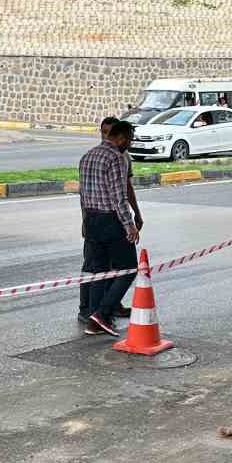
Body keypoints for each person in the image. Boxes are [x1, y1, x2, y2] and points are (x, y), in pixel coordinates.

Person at [78, 119, 139, 335]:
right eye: (129, 140)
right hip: (110, 221)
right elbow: (118, 196)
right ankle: (103, 313)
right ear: (121, 137)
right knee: (129, 268)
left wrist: (85, 220)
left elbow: (83, 194)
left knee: (98, 272)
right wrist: (129, 225)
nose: (129, 145)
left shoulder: (87, 156)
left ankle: (94, 321)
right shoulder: (116, 158)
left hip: (92, 220)